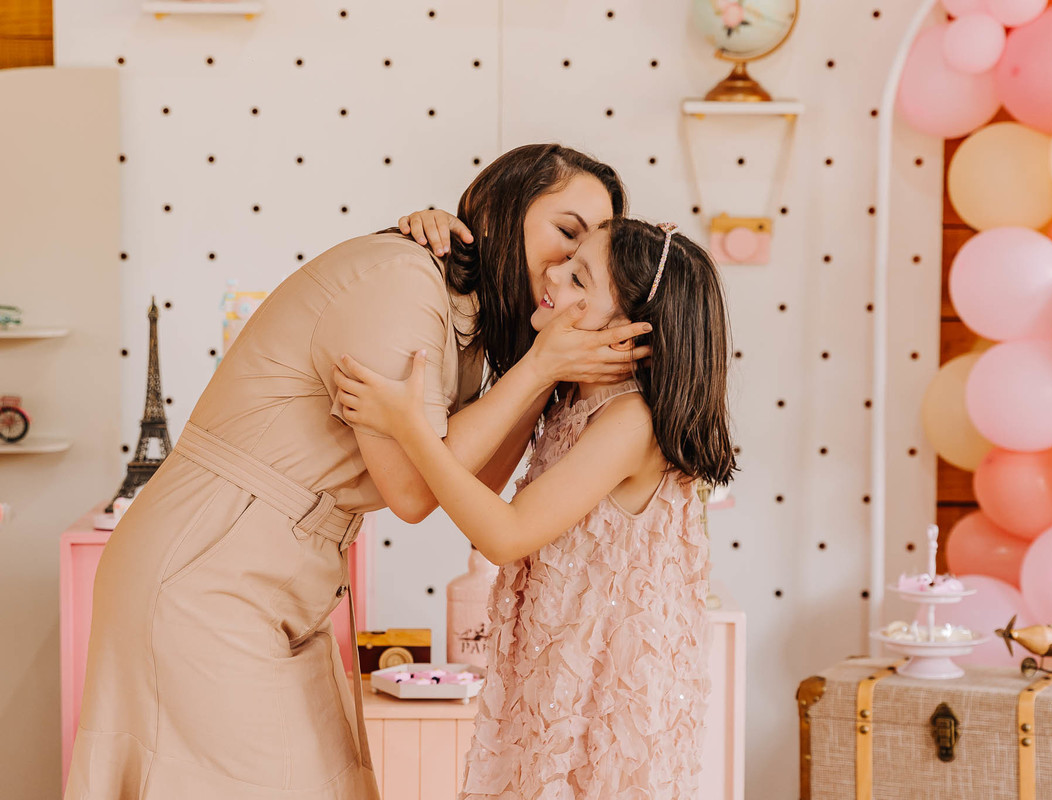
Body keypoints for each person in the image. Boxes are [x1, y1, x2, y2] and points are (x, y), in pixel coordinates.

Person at [64, 144, 651, 800]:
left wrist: (541, 368)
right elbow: (412, 492)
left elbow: (470, 487)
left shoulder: (474, 322)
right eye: (567, 232)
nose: (570, 263)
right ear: (495, 209)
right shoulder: (405, 280)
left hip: (284, 577)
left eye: (588, 252)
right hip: (209, 563)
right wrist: (539, 368)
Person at [333, 218, 737, 798]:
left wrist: (408, 426)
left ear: (627, 332)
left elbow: (504, 534)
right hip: (554, 683)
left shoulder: (629, 422)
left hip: (602, 705)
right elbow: (479, 490)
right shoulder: (572, 402)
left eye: (578, 278)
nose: (552, 273)